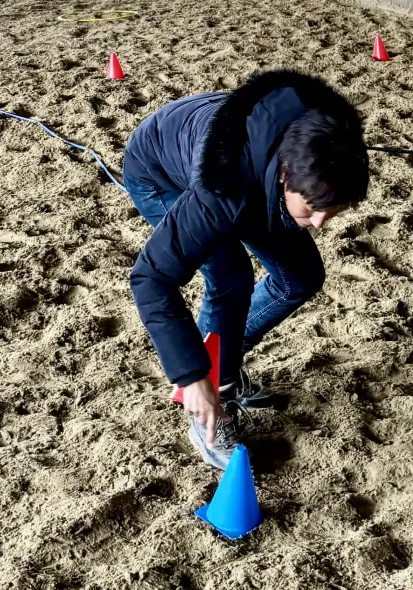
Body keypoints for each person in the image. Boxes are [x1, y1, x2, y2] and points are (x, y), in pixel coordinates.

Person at [126, 70, 369, 469]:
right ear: (287, 176)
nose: (322, 222)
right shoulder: (222, 191)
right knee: (230, 276)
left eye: (333, 209)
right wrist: (191, 377)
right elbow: (151, 278)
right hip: (159, 169)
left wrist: (309, 206)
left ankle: (225, 361)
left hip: (253, 167)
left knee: (301, 276)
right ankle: (209, 405)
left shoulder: (333, 141)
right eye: (313, 207)